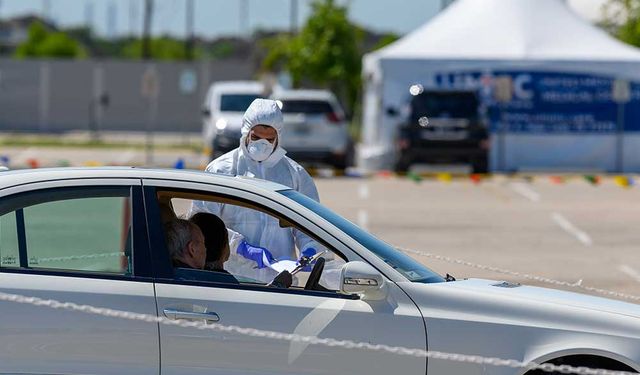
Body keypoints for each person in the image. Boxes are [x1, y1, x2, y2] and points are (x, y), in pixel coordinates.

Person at [189, 98, 322, 278]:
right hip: (232, 276)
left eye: (269, 139)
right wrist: (241, 247)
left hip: (280, 280)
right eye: (256, 137)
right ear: (246, 132)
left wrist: (309, 250)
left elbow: (310, 223)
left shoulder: (294, 174)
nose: (262, 144)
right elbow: (202, 224)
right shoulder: (221, 169)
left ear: (278, 137)